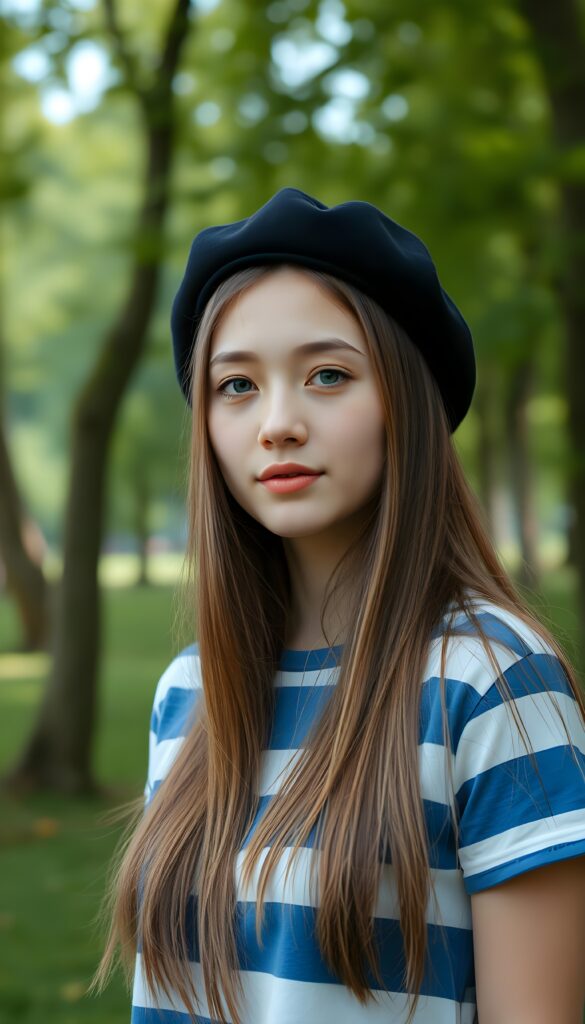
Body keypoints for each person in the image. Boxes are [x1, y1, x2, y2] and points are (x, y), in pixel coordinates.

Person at [92, 188, 585, 1024]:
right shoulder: (189, 692)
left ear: (406, 403)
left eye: (327, 375)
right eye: (236, 385)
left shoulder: (492, 684)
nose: (277, 424)